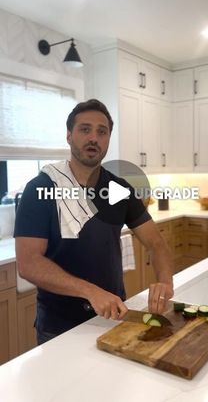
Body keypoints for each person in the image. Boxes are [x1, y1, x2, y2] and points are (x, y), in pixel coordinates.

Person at [14, 99, 173, 345]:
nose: (94, 138)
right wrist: (90, 291)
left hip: (113, 317)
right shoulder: (41, 189)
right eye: (85, 129)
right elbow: (28, 264)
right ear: (69, 135)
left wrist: (165, 281)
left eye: (102, 131)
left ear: (109, 138)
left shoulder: (119, 189)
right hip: (59, 328)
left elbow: (156, 243)